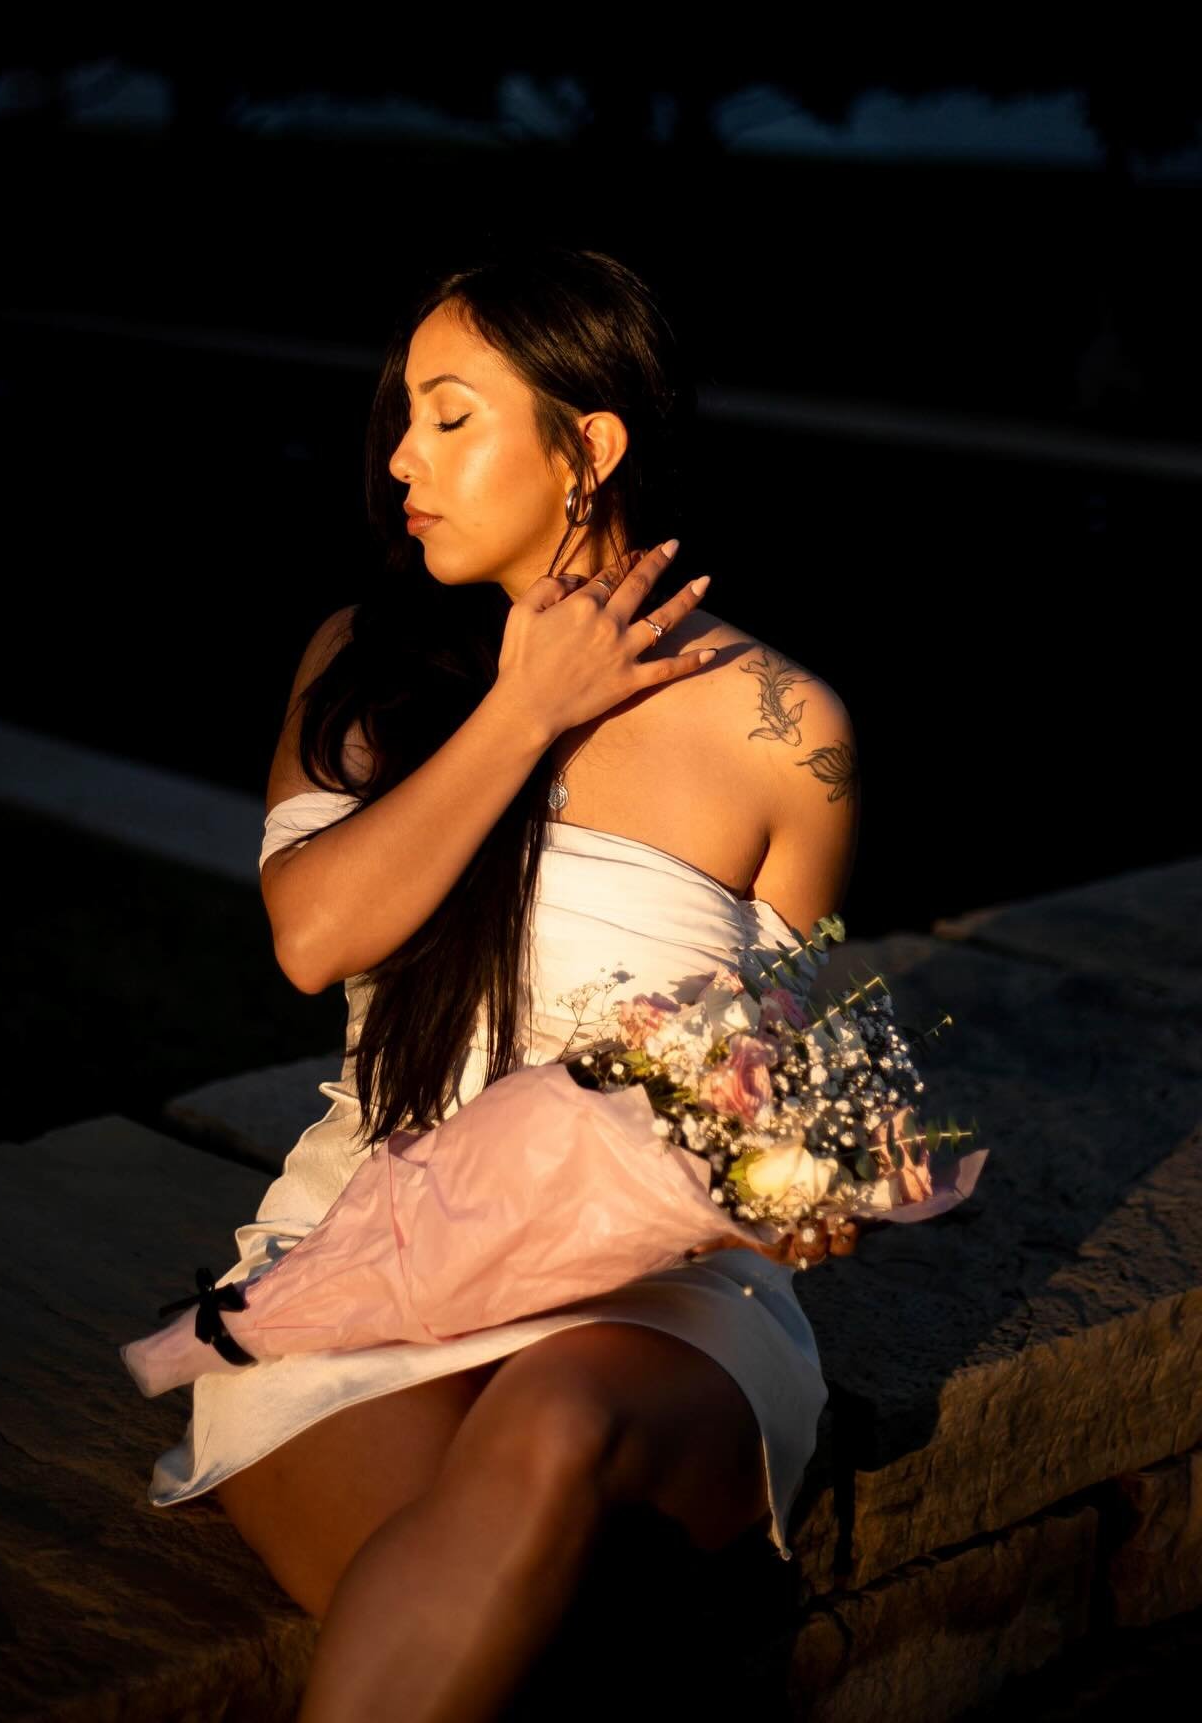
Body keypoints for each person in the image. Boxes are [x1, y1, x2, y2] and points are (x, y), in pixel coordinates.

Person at [138, 243, 861, 1722]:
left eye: (452, 417)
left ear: (589, 446)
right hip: (369, 1247)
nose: (402, 457)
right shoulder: (363, 660)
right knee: (500, 1615)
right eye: (403, 415)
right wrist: (523, 712)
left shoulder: (784, 732)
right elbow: (312, 935)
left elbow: (779, 1084)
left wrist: (801, 1173)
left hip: (652, 1301)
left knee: (554, 1425)